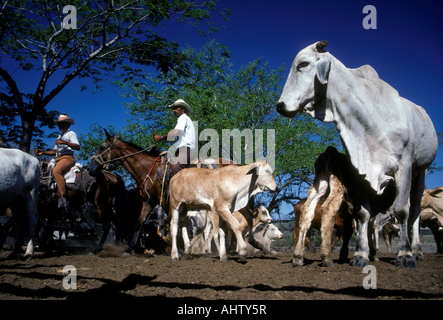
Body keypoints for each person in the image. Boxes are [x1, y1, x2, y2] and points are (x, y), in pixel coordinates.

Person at [34, 114, 80, 211]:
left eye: (63, 124)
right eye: (59, 124)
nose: (61, 126)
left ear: (68, 124)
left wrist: (65, 142)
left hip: (67, 158)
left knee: (56, 171)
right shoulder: (59, 136)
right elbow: (55, 152)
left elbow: (77, 146)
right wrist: (43, 152)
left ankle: (63, 198)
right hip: (58, 158)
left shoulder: (71, 134)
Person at [154, 99, 196, 175]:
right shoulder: (186, 119)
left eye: (176, 108)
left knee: (175, 170)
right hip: (184, 151)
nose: (174, 110)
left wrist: (161, 138)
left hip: (185, 150)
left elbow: (176, 132)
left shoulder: (183, 118)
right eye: (173, 108)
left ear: (183, 109)